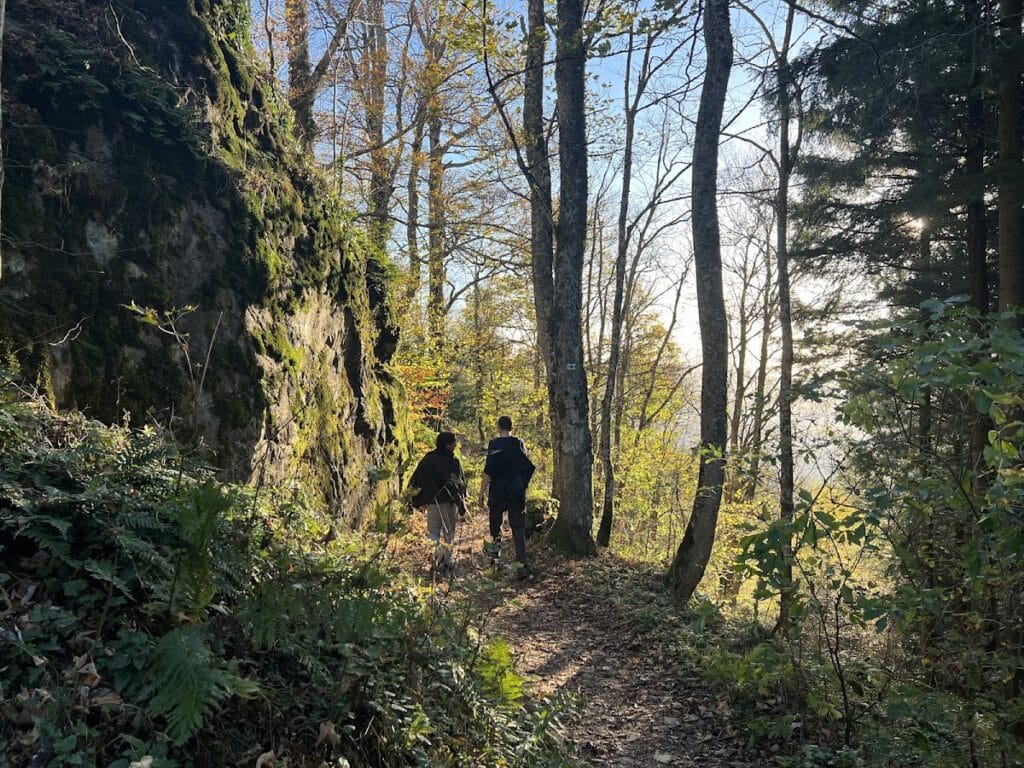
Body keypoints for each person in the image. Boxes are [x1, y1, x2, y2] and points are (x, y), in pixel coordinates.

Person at [478, 416, 535, 577]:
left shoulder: (494, 444)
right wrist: (522, 485)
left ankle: (496, 562)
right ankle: (522, 566)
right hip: (516, 491)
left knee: (495, 527)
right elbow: (528, 467)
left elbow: (488, 470)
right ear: (512, 427)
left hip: (498, 490)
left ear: (498, 427)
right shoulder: (518, 443)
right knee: (517, 527)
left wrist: (481, 493)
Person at [409, 432, 467, 575]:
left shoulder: (428, 459)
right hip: (449, 502)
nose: (455, 445)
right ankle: (446, 561)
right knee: (449, 532)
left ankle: (436, 560)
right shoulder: (454, 461)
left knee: (433, 532)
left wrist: (417, 500)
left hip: (433, 502)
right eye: (453, 443)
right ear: (448, 445)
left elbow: (416, 479)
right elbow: (460, 483)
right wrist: (461, 501)